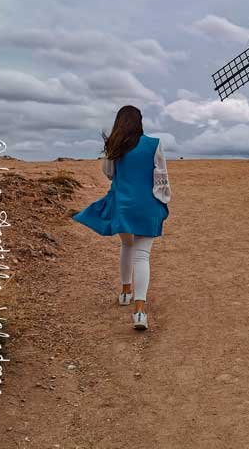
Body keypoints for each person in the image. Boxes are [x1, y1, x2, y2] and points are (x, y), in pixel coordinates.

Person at [72, 105, 171, 330]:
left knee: (127, 246)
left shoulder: (113, 146)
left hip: (123, 205)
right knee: (142, 255)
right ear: (140, 122)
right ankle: (139, 312)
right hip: (148, 206)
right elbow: (161, 176)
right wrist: (162, 200)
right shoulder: (154, 144)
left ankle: (126, 292)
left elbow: (108, 173)